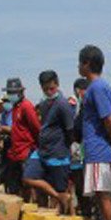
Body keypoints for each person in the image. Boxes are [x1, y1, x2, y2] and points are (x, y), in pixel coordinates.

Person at [79, 45, 111, 220]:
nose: (78, 66)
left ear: (87, 64)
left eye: (80, 63)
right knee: (100, 194)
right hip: (97, 148)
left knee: (103, 193)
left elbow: (110, 120)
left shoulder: (97, 87)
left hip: (99, 148)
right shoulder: (99, 86)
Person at [22, 70, 75, 211]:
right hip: (43, 151)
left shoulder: (63, 104)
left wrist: (66, 147)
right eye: (45, 89)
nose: (49, 92)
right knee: (29, 176)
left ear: (57, 84)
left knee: (62, 191)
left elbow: (70, 129)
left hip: (58, 153)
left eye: (51, 88)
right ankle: (57, 196)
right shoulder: (44, 104)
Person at [2, 78, 40, 197]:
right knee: (15, 184)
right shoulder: (15, 107)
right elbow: (17, 128)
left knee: (27, 183)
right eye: (9, 93)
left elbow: (36, 128)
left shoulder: (26, 106)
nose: (11, 95)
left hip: (26, 150)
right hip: (16, 151)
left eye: (13, 93)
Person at [70, 77, 93, 219]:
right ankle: (86, 212)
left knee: (87, 186)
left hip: (87, 151)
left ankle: (88, 212)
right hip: (81, 151)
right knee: (81, 185)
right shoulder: (80, 106)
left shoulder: (87, 105)